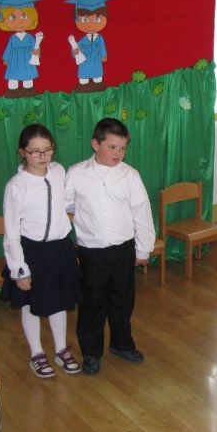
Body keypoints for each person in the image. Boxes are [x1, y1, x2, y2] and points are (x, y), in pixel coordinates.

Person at [64, 118, 156, 375]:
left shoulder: (130, 175)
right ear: (96, 144)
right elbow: (66, 205)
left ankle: (121, 344)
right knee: (92, 303)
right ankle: (91, 353)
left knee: (122, 300)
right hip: (92, 251)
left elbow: (142, 212)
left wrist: (143, 248)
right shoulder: (77, 173)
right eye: (112, 147)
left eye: (122, 148)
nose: (118, 153)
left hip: (123, 249)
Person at [2, 123, 83, 379]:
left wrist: (70, 216)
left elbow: (68, 202)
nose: (42, 156)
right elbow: (11, 231)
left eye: (47, 150)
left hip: (60, 248)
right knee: (31, 303)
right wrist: (20, 269)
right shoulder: (17, 186)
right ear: (23, 152)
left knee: (59, 301)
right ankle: (36, 352)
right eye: (35, 151)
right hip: (32, 252)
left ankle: (61, 349)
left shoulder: (58, 171)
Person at [0, 0, 43, 94]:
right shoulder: (12, 38)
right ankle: (13, 91)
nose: (20, 21)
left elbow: (35, 47)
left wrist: (37, 52)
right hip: (14, 60)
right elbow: (8, 49)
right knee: (13, 76)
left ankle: (28, 89)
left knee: (28, 76)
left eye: (24, 16)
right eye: (13, 17)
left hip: (27, 60)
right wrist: (6, 59)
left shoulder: (30, 37)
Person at [65, 0, 112, 92]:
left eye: (96, 19)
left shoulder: (100, 38)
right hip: (85, 63)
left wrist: (104, 55)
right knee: (83, 80)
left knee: (98, 78)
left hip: (96, 61)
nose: (90, 24)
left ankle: (98, 84)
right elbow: (76, 48)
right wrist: (75, 51)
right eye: (85, 19)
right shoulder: (83, 40)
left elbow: (102, 47)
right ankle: (84, 85)